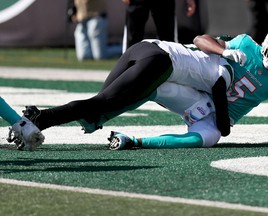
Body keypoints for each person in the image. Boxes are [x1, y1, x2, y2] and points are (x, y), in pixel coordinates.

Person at [17, 36, 243, 150]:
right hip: (160, 62)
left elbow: (200, 40)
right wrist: (224, 122)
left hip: (144, 46)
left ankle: (75, 119)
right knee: (101, 102)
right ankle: (40, 118)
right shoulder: (224, 74)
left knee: (99, 103)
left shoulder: (211, 54)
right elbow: (223, 128)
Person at [108, 23, 268, 150]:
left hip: (215, 118)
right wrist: (224, 51)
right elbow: (200, 40)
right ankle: (104, 111)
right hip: (197, 95)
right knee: (156, 87)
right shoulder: (245, 44)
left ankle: (134, 141)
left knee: (208, 138)